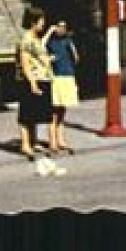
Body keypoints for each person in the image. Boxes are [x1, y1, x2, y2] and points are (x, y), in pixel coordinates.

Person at [15, 7, 61, 173]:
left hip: (44, 78)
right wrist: (32, 83)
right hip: (32, 80)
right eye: (41, 20)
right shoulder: (26, 40)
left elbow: (39, 57)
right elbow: (26, 63)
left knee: (41, 113)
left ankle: (33, 143)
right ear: (34, 22)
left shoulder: (35, 39)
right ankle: (26, 145)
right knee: (27, 114)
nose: (43, 23)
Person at [46, 19, 80, 156]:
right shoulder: (50, 43)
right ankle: (52, 141)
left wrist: (72, 46)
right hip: (57, 78)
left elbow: (77, 58)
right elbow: (43, 51)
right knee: (53, 112)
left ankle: (61, 139)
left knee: (62, 111)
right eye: (59, 26)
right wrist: (49, 32)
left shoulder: (68, 42)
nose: (61, 29)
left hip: (68, 76)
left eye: (64, 27)